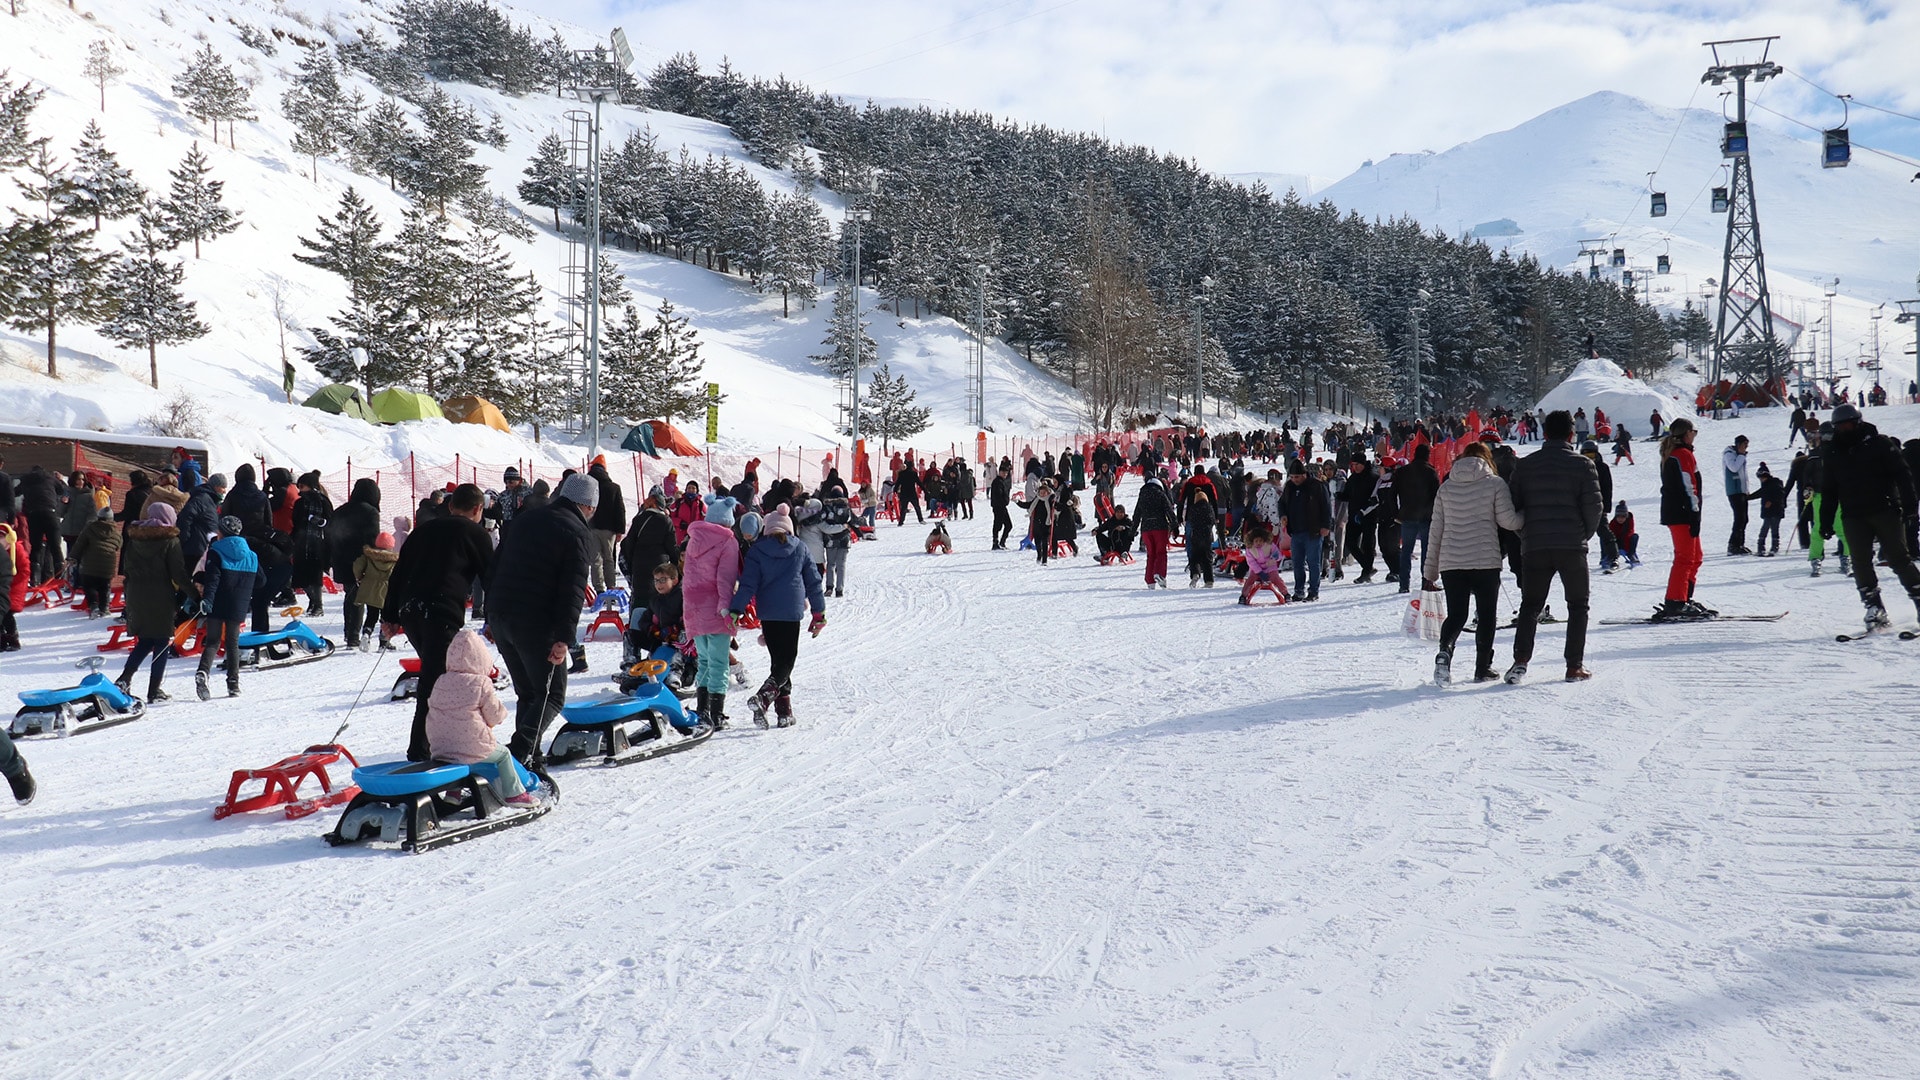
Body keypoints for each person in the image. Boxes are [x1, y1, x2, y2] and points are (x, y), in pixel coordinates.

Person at [490, 473, 595, 764]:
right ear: (587, 506)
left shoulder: (527, 519)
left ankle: (530, 758)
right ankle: (518, 754)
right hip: (536, 623)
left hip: (503, 615)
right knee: (552, 695)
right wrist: (564, 637)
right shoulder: (576, 531)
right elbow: (572, 589)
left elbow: (496, 566)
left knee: (528, 693)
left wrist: (491, 615)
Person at [383, 484, 494, 761]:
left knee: (438, 675)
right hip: (441, 611)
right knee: (436, 681)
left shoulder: (423, 530)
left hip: (411, 610)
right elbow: (492, 578)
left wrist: (389, 617)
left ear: (451, 505)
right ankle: (421, 750)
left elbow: (398, 574)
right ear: (478, 509)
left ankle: (434, 743)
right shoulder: (475, 533)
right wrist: (493, 618)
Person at [1505, 409, 1603, 683]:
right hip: (1571, 545)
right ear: (1572, 434)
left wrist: (1525, 535)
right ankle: (1574, 666)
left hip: (1535, 544)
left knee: (1530, 605)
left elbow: (1514, 508)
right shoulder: (1583, 465)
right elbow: (1594, 509)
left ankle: (1520, 662)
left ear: (1544, 433)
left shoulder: (1525, 465)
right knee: (1578, 605)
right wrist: (1582, 535)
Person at [1422, 440, 1525, 684]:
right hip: (1485, 560)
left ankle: (1444, 654)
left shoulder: (1445, 488)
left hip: (1452, 561)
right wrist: (1527, 515)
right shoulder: (1495, 484)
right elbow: (1509, 522)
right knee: (1487, 616)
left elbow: (1435, 530)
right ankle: (1482, 668)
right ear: (1486, 460)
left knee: (1457, 615)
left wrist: (1430, 571)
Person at [1819, 403, 1920, 632]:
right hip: (1854, 515)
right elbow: (1829, 490)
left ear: (1858, 423)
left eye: (1849, 425)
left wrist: (1910, 505)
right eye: (1841, 427)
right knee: (1860, 562)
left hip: (1884, 509)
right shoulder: (1834, 452)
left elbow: (1903, 474)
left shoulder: (1879, 444)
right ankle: (1874, 605)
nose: (1846, 430)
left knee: (1898, 558)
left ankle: (1918, 597)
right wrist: (1825, 522)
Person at [730, 504, 827, 728]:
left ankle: (784, 712)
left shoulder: (757, 550)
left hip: (769, 612)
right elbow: (814, 582)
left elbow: (747, 585)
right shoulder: (800, 548)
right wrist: (818, 612)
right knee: (786, 661)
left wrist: (736, 609)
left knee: (779, 660)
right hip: (791, 611)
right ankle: (764, 697)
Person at [425, 629, 534, 805]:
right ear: (481, 658)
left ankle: (453, 794)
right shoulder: (481, 683)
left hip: (440, 746)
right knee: (503, 754)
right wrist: (502, 713)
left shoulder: (441, 680)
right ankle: (515, 794)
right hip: (472, 747)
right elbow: (493, 716)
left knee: (457, 756)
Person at [115, 501, 189, 701]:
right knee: (162, 641)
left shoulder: (134, 538)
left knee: (146, 640)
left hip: (136, 595)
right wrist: (194, 594)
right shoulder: (170, 541)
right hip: (160, 596)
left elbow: (126, 569)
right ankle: (154, 690)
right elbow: (178, 574)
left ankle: (124, 679)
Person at [683, 496, 741, 728]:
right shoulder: (728, 541)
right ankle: (717, 714)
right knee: (719, 663)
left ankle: (702, 709)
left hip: (693, 607)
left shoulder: (694, 538)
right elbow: (725, 579)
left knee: (705, 661)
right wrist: (726, 608)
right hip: (716, 607)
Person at [195, 516, 258, 700]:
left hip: (218, 602)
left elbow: (213, 580)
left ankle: (203, 672)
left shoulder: (215, 551)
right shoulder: (251, 555)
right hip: (238, 604)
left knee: (213, 641)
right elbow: (261, 580)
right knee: (232, 643)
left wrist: (207, 599)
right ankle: (233, 684)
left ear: (221, 532)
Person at [1656, 418, 1708, 621]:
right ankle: (1675, 601)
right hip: (1681, 513)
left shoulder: (1680, 454)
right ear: (1685, 434)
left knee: (1695, 557)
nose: (1694, 435)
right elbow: (1689, 486)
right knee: (1685, 558)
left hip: (1682, 512)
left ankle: (1684, 597)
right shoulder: (1682, 455)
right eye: (1693, 432)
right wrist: (1694, 513)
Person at [325, 478, 383, 649]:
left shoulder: (341, 510)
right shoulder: (371, 512)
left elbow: (330, 534)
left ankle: (348, 632)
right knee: (358, 597)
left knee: (350, 595)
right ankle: (353, 637)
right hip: (361, 561)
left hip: (341, 558)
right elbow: (372, 539)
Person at [1277, 458, 1332, 601]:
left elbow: (1326, 507)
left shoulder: (1317, 486)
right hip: (1296, 531)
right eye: (1292, 477)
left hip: (1313, 530)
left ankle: (1313, 591)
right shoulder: (1289, 486)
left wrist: (1326, 526)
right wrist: (1283, 515)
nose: (1294, 480)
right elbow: (1281, 503)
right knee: (1297, 563)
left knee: (1313, 563)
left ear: (1304, 474)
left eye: (1297, 477)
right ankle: (1299, 590)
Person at [1393, 445, 1439, 595]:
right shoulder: (1431, 472)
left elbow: (1392, 494)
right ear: (1427, 455)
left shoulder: (1402, 472)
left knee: (1406, 551)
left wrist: (1396, 512)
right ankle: (1426, 582)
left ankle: (1403, 584)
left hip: (1407, 515)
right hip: (1426, 516)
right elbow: (1437, 496)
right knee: (1427, 551)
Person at [619, 485, 677, 591]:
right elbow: (671, 546)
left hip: (639, 562)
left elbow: (630, 542)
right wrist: (675, 565)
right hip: (659, 563)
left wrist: (632, 562)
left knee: (641, 595)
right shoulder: (666, 521)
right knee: (658, 594)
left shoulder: (638, 519)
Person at [68, 505, 122, 617]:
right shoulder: (116, 532)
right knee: (104, 586)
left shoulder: (90, 528)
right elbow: (118, 545)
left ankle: (94, 606)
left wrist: (73, 557)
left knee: (89, 585)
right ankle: (105, 607)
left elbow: (80, 544)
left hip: (90, 565)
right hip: (107, 565)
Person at [586, 457, 626, 595]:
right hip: (609, 530)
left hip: (591, 527)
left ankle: (599, 589)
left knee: (595, 559)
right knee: (609, 559)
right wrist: (620, 529)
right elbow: (620, 510)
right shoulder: (614, 487)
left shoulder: (588, 487)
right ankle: (611, 586)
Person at [352, 533, 398, 650]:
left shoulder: (368, 556)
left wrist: (359, 577)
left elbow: (357, 565)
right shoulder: (394, 560)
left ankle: (366, 634)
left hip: (370, 589)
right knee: (385, 617)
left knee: (371, 615)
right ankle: (383, 642)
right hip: (386, 591)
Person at [177, 471, 225, 575]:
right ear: (216, 486)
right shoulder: (203, 498)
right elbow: (186, 516)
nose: (224, 491)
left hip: (203, 547)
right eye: (223, 487)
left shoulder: (211, 501)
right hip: (195, 549)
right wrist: (184, 538)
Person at [1580, 441, 1618, 572]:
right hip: (1581, 506)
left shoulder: (1602, 467)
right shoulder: (1578, 467)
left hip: (1597, 506)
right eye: (1587, 455)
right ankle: (1576, 559)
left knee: (1604, 532)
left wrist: (1606, 507)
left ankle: (1613, 557)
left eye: (1592, 455)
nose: (1590, 458)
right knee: (1578, 534)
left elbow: (1608, 488)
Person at [1342, 458, 1380, 582]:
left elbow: (1376, 498)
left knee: (1368, 545)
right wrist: (1340, 495)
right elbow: (1347, 494)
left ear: (1364, 464)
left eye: (1358, 464)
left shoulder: (1373, 477)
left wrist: (1364, 510)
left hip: (1369, 515)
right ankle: (1367, 566)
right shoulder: (1352, 478)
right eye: (1353, 464)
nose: (1356, 467)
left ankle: (1366, 572)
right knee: (1350, 542)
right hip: (1354, 515)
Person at [1133, 473, 1174, 588]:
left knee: (1151, 554)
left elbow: (1136, 515)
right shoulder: (1160, 494)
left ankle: (1150, 580)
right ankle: (1159, 574)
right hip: (1160, 527)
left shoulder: (1142, 496)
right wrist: (1174, 526)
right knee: (1161, 552)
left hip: (1146, 529)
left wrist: (1132, 531)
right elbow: (1169, 511)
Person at [1237, 523, 1286, 605]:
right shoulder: (1250, 549)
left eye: (1261, 541)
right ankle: (1244, 596)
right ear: (1252, 541)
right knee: (1250, 580)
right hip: (1256, 570)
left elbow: (1278, 555)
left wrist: (1273, 559)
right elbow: (1251, 562)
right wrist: (1260, 572)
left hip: (1270, 568)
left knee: (1276, 579)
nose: (1258, 543)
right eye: (1256, 541)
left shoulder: (1270, 546)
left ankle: (1285, 594)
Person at [1723, 435, 1753, 555]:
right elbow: (1734, 468)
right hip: (1734, 490)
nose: (1746, 448)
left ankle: (1740, 543)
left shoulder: (1741, 455)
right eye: (1745, 445)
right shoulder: (1729, 454)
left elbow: (1743, 475)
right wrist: (1740, 455)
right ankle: (1733, 545)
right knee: (1739, 518)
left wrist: (1746, 489)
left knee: (1744, 518)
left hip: (1741, 490)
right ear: (1739, 445)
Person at [819, 495, 851, 597]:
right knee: (841, 565)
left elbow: (820, 520)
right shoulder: (846, 508)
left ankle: (829, 587)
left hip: (830, 539)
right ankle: (839, 589)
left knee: (830, 564)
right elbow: (853, 521)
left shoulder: (826, 508)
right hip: (844, 540)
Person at [1753, 464, 1787, 557]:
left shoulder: (1776, 483)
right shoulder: (1765, 485)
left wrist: (1771, 501)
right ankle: (1761, 548)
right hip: (1767, 511)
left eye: (1762, 477)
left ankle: (1774, 547)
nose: (1761, 479)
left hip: (1776, 510)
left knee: (1774, 528)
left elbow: (1780, 494)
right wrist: (1748, 497)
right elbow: (1759, 493)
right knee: (1765, 528)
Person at [1184, 490, 1216, 588]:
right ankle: (1209, 580)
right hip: (1207, 535)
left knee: (1195, 557)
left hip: (1196, 535)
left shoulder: (1193, 508)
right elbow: (1212, 520)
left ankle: (1195, 573)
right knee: (1207, 558)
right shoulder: (1209, 507)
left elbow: (1190, 520)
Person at [0, 521, 23, 651]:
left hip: (13, 588)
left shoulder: (17, 550)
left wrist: (15, 582)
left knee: (7, 615)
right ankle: (2, 640)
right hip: (4, 587)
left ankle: (13, 638)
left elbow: (24, 571)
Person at [1029, 479, 1055, 563]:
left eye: (1044, 492)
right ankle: (1039, 555)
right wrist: (1018, 502)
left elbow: (1057, 506)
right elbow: (1028, 505)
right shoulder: (1037, 500)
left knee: (1044, 542)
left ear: (1047, 492)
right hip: (1037, 524)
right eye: (1041, 492)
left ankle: (1044, 560)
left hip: (1046, 524)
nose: (1042, 494)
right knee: (1037, 542)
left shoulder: (1050, 500)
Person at [989, 463, 1014, 549]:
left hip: (1001, 506)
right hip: (999, 506)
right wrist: (1004, 501)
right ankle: (996, 542)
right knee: (1001, 524)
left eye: (1006, 473)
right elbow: (998, 495)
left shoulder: (1002, 481)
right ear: (999, 472)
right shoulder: (997, 482)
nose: (1005, 474)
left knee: (1006, 525)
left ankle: (1001, 542)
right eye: (1003, 472)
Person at [1608, 502, 1640, 567]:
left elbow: (1630, 531)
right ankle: (1608, 557)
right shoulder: (1613, 523)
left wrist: (1625, 548)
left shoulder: (1629, 522)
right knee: (1606, 536)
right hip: (1615, 543)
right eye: (1618, 517)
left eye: (1623, 517)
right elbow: (1610, 534)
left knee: (1634, 536)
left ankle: (1631, 554)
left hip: (1626, 542)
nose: (1620, 519)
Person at [894, 460, 923, 525]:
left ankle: (901, 522)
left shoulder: (901, 474)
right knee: (917, 507)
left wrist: (895, 490)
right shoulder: (914, 473)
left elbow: (898, 483)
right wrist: (924, 489)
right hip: (912, 492)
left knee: (903, 508)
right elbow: (919, 483)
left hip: (904, 493)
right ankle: (920, 519)